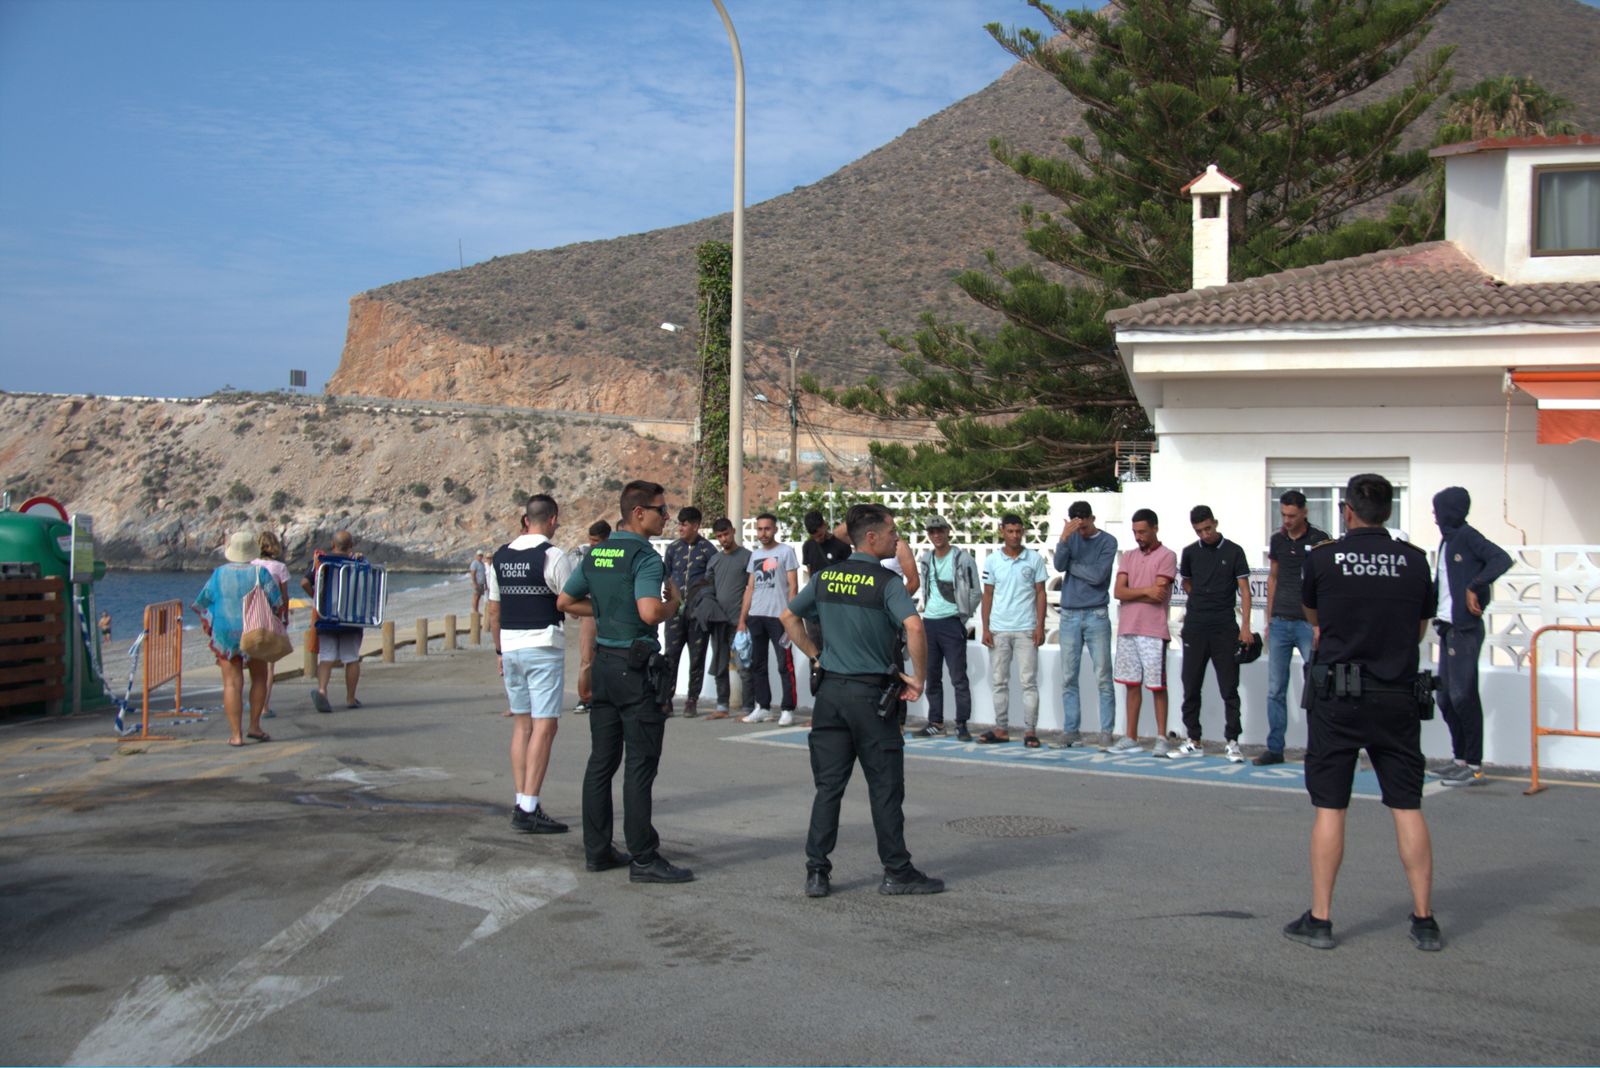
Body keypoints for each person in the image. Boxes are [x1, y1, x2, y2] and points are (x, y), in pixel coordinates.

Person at [1284, 473, 1442, 952]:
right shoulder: (1416, 564)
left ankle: (1322, 918)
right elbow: (1418, 630)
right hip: (1396, 695)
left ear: (1347, 511)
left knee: (1331, 807)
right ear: (1388, 512)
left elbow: (1315, 619)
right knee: (1407, 805)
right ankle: (1424, 919)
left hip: (1339, 698)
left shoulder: (1323, 559)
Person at [780, 502, 942, 898]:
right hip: (872, 697)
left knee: (829, 788)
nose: (896, 539)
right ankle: (897, 871)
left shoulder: (824, 578)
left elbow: (788, 618)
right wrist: (918, 680)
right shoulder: (886, 583)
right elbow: (914, 627)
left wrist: (817, 656)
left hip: (831, 695)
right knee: (885, 787)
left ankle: (817, 872)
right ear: (871, 537)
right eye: (891, 532)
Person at [557, 480, 694, 884]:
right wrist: (676, 603)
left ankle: (597, 850)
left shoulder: (597, 554)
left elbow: (565, 602)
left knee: (601, 762)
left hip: (603, 665)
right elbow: (651, 613)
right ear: (639, 513)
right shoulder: (647, 558)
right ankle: (644, 858)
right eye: (660, 509)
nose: (666, 516)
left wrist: (601, 612)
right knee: (639, 766)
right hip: (635, 670)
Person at [488, 494, 573, 835]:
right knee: (545, 726)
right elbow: (568, 599)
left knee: (522, 725)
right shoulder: (553, 556)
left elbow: (493, 610)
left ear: (526, 519)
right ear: (552, 519)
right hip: (542, 646)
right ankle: (528, 805)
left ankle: (521, 799)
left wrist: (499, 652)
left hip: (510, 646)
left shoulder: (500, 556)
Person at [1430, 487, 1513, 787]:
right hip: (1448, 628)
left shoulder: (1467, 536)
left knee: (1463, 695)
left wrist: (1475, 585)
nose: (1434, 515)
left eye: (1437, 509)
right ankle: (1460, 759)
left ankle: (1475, 766)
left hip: (1465, 629)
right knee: (1445, 698)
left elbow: (1501, 559)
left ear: (1450, 510)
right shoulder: (1447, 541)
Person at [1255, 491, 1331, 765]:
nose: (1286, 521)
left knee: (1316, 687)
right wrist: (1269, 617)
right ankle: (1275, 748)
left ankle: (1318, 748)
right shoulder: (1277, 539)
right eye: (1283, 515)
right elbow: (1273, 578)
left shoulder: (1320, 540)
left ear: (1305, 513)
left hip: (1308, 624)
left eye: (1292, 516)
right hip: (1280, 623)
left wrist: (1320, 623)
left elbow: (1327, 583)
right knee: (1275, 689)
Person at [1176, 506, 1252, 761]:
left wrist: (1245, 627)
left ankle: (1232, 741)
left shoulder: (1233, 551)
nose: (1205, 534)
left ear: (1215, 523)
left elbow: (1245, 590)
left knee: (1229, 686)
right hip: (1195, 625)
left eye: (1208, 528)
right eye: (1199, 531)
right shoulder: (1189, 552)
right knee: (1191, 684)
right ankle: (1193, 739)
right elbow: (1186, 581)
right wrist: (1197, 596)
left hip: (1224, 626)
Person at [194, 531, 283, 747]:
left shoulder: (218, 574)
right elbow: (277, 602)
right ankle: (255, 726)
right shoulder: (259, 573)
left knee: (232, 683)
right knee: (259, 678)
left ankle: (236, 735)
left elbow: (203, 601)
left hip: (225, 633)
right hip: (254, 632)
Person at [1106, 509, 1179, 756]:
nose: (1138, 536)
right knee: (1131, 684)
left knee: (1157, 685)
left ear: (1155, 528)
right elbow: (1118, 592)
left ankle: (1161, 737)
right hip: (1128, 628)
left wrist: (1138, 591)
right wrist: (1146, 591)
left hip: (1153, 630)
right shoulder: (1128, 556)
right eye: (1135, 532)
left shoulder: (1168, 556)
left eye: (1143, 532)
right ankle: (1131, 736)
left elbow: (1159, 593)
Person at [976, 515, 1048, 746]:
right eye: (1010, 531)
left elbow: (1040, 593)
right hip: (999, 628)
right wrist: (986, 628)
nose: (1015, 535)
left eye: (1018, 531)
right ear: (1002, 532)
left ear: (1023, 532)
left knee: (1028, 682)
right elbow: (987, 594)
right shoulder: (993, 561)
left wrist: (1040, 626)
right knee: (999, 682)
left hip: (1026, 628)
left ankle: (1030, 730)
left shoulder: (1034, 559)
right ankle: (1001, 728)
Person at [1054, 501, 1118, 748]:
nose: (1082, 530)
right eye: (1077, 525)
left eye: (1085, 524)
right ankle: (1071, 730)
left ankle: (1106, 731)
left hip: (1096, 613)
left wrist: (1072, 565)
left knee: (1103, 674)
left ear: (1092, 518)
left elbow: (1098, 576)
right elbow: (1059, 566)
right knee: (1068, 676)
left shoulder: (1108, 541)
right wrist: (1063, 539)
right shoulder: (1070, 537)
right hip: (1069, 614)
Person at [912, 514, 978, 740]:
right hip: (930, 621)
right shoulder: (926, 559)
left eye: (940, 530)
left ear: (948, 531)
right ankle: (936, 721)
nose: (936, 535)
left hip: (951, 622)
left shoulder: (962, 558)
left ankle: (961, 723)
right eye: (932, 532)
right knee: (932, 675)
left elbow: (975, 591)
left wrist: (962, 615)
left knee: (958, 676)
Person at [738, 513, 800, 725]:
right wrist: (742, 619)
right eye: (759, 529)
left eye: (767, 529)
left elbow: (793, 586)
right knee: (758, 665)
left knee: (785, 664)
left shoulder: (786, 552)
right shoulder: (755, 556)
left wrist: (790, 614)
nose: (763, 533)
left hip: (779, 617)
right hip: (756, 616)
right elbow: (750, 588)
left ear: (775, 529)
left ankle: (787, 708)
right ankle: (762, 706)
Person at [302, 530, 366, 712]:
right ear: (351, 545)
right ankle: (350, 698)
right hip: (351, 617)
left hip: (327, 616)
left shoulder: (321, 561)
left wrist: (317, 599)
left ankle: (322, 691)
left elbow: (304, 583)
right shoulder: (357, 561)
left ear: (332, 544)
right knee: (352, 658)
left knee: (327, 658)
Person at [698, 517, 755, 720]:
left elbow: (752, 588)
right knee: (720, 665)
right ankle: (722, 706)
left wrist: (744, 620)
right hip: (719, 623)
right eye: (719, 536)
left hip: (741, 623)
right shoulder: (714, 560)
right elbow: (708, 588)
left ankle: (749, 708)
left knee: (744, 666)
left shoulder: (748, 557)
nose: (724, 539)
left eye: (726, 534)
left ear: (733, 531)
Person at [662, 506, 717, 717]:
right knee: (671, 656)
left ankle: (692, 700)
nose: (680, 528)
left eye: (684, 525)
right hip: (675, 611)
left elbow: (713, 579)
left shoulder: (708, 550)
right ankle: (666, 699)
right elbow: (666, 575)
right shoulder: (673, 549)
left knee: (697, 657)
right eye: (679, 524)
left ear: (695, 525)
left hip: (697, 613)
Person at [252, 531, 292, 720]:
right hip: (272, 617)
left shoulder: (250, 566)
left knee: (253, 662)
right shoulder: (280, 568)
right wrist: (285, 616)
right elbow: (284, 596)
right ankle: (265, 706)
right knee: (269, 666)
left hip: (251, 617)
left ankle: (254, 700)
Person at [800, 510, 853, 655]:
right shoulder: (808, 546)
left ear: (825, 525)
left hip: (837, 603)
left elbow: (850, 573)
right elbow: (810, 572)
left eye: (820, 535)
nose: (818, 539)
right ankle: (817, 674)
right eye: (814, 537)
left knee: (838, 645)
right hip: (816, 603)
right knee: (816, 647)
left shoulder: (842, 545)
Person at [574, 520, 611, 715]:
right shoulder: (582, 553)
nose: (592, 544)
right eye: (590, 540)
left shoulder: (614, 555)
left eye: (596, 541)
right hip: (589, 610)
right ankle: (584, 698)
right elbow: (574, 582)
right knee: (587, 657)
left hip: (610, 612)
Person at [469, 550, 488, 616]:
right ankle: (474, 610)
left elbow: (484, 574)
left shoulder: (482, 564)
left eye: (481, 555)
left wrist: (485, 584)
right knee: (475, 596)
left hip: (481, 583)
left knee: (478, 597)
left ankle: (477, 610)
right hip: (477, 583)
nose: (480, 557)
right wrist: (475, 584)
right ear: (476, 556)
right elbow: (473, 574)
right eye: (479, 555)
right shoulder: (475, 563)